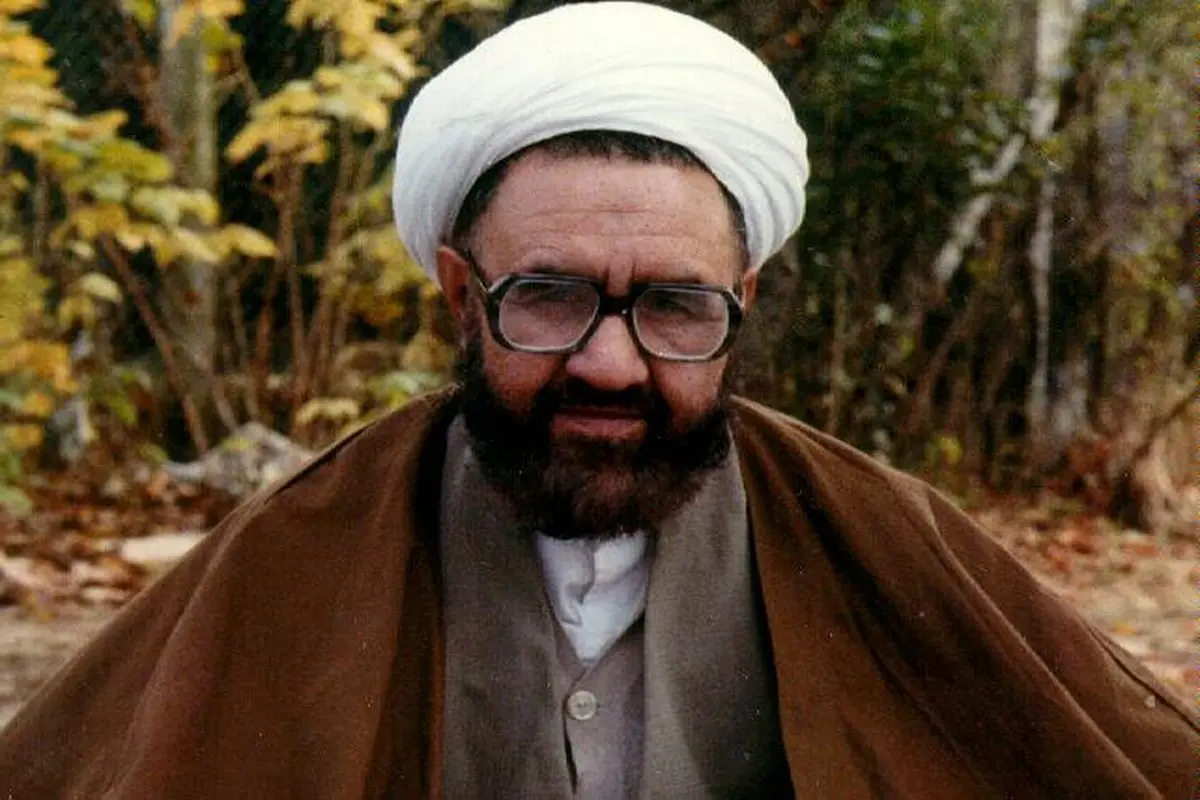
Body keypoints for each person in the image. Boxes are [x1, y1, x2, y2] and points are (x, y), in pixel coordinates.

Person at [1, 3, 1196, 797]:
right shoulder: (299, 546)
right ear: (459, 295)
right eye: (550, 295)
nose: (611, 365)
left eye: (674, 305)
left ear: (742, 299)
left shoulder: (881, 534)